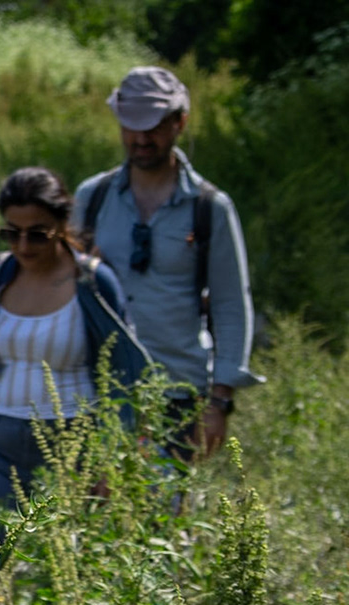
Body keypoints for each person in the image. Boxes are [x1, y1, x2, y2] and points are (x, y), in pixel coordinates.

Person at [0, 166, 149, 576]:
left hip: (75, 444)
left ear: (63, 224)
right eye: (12, 232)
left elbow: (123, 375)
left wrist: (113, 459)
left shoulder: (93, 282)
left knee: (71, 576)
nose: (23, 244)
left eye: (37, 232)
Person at [73, 66, 261, 463]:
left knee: (170, 516)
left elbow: (231, 303)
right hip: (100, 390)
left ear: (180, 123)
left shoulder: (210, 207)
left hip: (179, 390)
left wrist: (220, 400)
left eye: (154, 126)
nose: (141, 139)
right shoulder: (92, 198)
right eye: (131, 126)